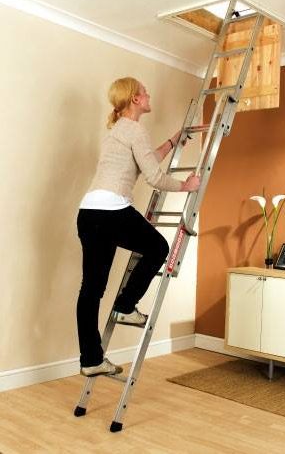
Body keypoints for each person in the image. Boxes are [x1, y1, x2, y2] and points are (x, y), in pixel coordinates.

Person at [77, 77, 200, 377]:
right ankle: (126, 305)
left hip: (89, 212)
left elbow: (146, 160)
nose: (148, 94)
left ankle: (91, 359)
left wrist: (174, 141)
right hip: (110, 212)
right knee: (158, 247)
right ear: (134, 99)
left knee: (91, 289)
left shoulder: (117, 131)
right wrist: (185, 185)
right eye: (144, 92)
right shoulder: (134, 129)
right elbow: (154, 176)